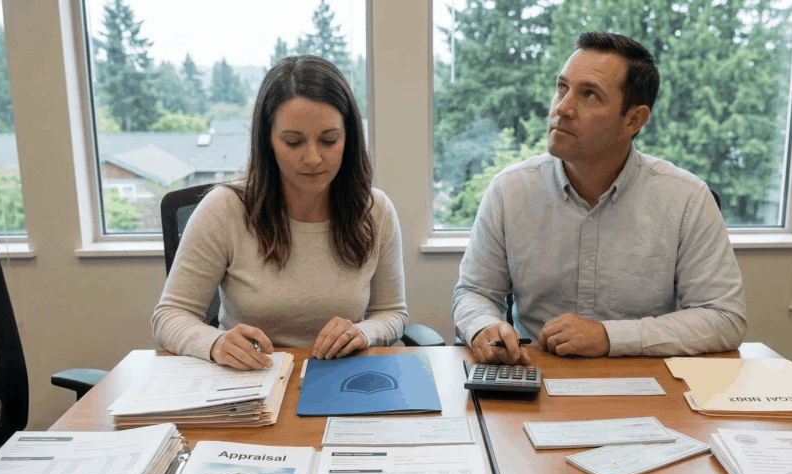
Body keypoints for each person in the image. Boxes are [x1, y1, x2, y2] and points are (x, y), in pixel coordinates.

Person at [453, 32, 746, 365]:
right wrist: (483, 326)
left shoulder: (687, 199)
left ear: (633, 120)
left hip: (643, 383)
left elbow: (724, 317)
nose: (561, 108)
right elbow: (474, 293)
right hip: (534, 375)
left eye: (589, 94)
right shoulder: (509, 189)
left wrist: (609, 337)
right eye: (562, 87)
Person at [153, 56, 408, 370]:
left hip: (343, 377)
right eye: (293, 141)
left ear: (349, 138)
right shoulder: (223, 209)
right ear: (268, 142)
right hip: (250, 381)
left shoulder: (375, 210)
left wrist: (364, 332)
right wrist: (216, 343)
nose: (313, 158)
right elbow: (169, 317)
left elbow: (393, 313)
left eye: (329, 140)